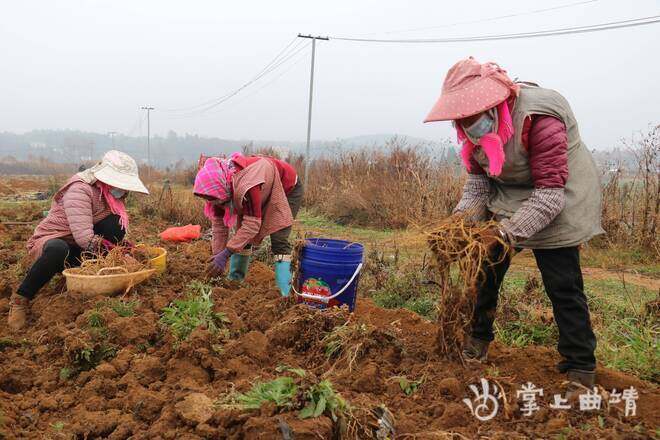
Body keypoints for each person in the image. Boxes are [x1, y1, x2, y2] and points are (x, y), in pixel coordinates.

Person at [424, 58, 604, 391]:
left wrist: (504, 232)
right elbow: (478, 187)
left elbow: (549, 196)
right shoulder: (471, 134)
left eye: (471, 117)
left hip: (558, 192)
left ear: (494, 104)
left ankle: (580, 365)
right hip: (510, 195)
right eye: (461, 120)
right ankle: (478, 339)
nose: (466, 126)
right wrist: (458, 224)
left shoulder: (540, 119)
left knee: (562, 284)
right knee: (486, 270)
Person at [7, 150, 149, 331]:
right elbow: (84, 237)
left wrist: (124, 249)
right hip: (54, 243)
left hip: (80, 249)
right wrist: (118, 254)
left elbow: (109, 232)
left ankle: (91, 276)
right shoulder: (80, 189)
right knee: (58, 249)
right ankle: (20, 299)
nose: (123, 190)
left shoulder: (111, 196)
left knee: (115, 224)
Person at [193, 153, 303, 296]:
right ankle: (235, 281)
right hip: (262, 188)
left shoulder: (247, 185)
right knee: (243, 237)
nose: (212, 203)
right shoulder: (215, 191)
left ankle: (285, 292)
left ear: (221, 190)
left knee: (279, 239)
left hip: (286, 187)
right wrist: (217, 256)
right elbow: (219, 227)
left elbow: (252, 225)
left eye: (213, 200)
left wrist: (226, 253)